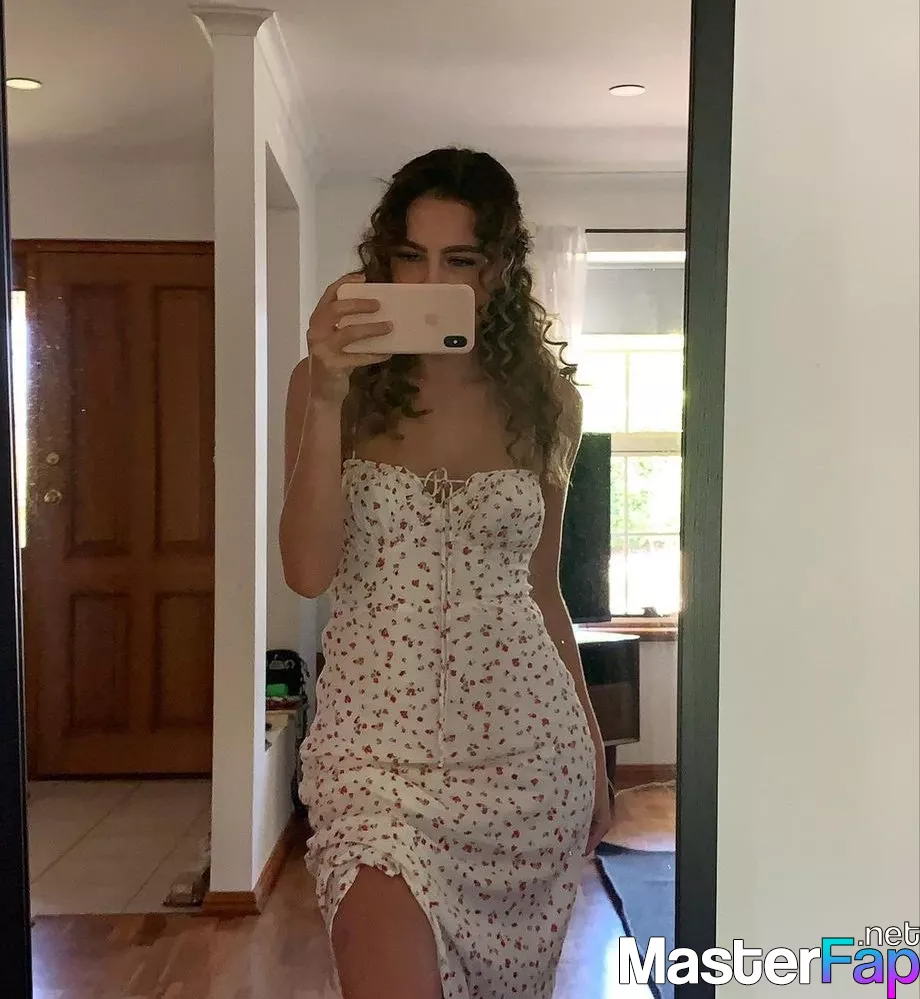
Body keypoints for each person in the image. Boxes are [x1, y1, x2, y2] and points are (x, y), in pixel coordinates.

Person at [280, 147, 611, 999]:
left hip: (530, 760)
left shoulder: (549, 401)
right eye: (411, 256)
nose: (431, 281)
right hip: (373, 762)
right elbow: (307, 571)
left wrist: (595, 756)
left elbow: (544, 588)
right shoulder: (327, 387)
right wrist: (327, 396)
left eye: (459, 259)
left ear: (498, 268)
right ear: (382, 260)